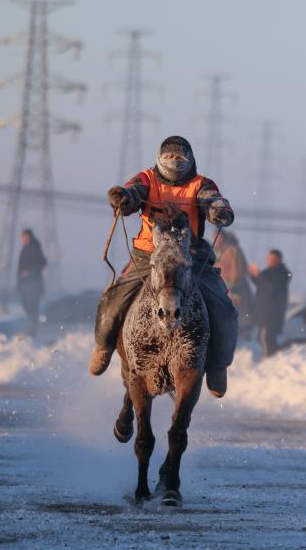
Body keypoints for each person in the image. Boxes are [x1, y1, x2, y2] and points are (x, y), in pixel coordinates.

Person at [90, 136, 237, 398]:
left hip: (190, 256)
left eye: (181, 156)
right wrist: (123, 198)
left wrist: (219, 210)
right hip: (149, 255)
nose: (175, 161)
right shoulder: (147, 178)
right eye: (170, 156)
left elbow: (213, 199)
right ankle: (103, 346)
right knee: (114, 299)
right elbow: (133, 193)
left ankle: (218, 365)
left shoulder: (201, 183)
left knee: (224, 308)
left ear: (190, 159)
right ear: (160, 158)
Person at [250, 249, 291, 357]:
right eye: (268, 258)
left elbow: (272, 286)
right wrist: (253, 275)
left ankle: (268, 359)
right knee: (264, 338)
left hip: (272, 313)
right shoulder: (267, 272)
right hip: (263, 311)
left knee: (266, 339)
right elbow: (260, 283)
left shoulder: (283, 273)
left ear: (278, 259)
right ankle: (272, 357)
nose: (268, 260)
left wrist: (259, 275)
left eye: (272, 258)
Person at [214, 230, 255, 338]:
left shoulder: (232, 251)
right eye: (215, 238)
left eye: (219, 238)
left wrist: (232, 288)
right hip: (223, 288)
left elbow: (236, 271)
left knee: (237, 317)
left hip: (234, 289)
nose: (217, 240)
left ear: (224, 238)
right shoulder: (217, 252)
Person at [16, 229, 47, 337]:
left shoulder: (34, 247)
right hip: (24, 284)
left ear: (29, 237)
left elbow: (43, 262)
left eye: (25, 237)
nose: (23, 239)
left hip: (33, 284)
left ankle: (33, 330)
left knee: (32, 306)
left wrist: (30, 272)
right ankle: (32, 328)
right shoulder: (25, 248)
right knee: (26, 304)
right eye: (22, 237)